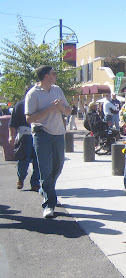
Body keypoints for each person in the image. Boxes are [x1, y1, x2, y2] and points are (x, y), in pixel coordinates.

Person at [25, 65, 71, 218]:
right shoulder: (33, 94)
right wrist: (50, 109)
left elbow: (69, 110)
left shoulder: (57, 89)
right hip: (41, 133)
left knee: (57, 167)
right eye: (53, 73)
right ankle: (49, 204)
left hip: (58, 133)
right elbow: (29, 118)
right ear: (46, 76)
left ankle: (46, 190)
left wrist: (62, 108)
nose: (56, 75)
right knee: (46, 170)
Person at [8, 86, 40, 192]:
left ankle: (35, 182)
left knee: (38, 160)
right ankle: (20, 179)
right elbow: (12, 123)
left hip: (38, 134)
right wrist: (11, 136)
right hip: (25, 135)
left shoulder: (38, 104)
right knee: (23, 159)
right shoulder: (20, 105)